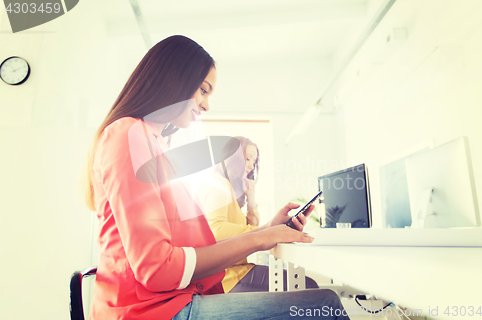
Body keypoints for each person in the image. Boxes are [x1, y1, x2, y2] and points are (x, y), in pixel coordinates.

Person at [84, 35, 350, 320]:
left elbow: (195, 249)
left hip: (168, 301)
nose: (206, 105)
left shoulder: (153, 143)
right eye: (203, 90)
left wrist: (267, 231)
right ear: (174, 79)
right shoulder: (129, 135)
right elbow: (157, 268)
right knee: (324, 303)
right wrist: (260, 239)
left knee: (320, 301)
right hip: (146, 311)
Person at [204, 136, 320, 293]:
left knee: (306, 284)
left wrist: (251, 199)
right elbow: (215, 231)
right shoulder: (220, 185)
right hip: (228, 278)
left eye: (254, 161)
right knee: (308, 287)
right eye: (248, 159)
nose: (252, 165)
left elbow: (250, 228)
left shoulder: (228, 188)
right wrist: (268, 231)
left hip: (235, 271)